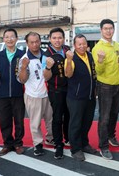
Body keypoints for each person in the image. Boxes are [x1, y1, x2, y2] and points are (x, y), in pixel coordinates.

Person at [91, 19, 119, 160]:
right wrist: (100, 60)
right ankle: (103, 146)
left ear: (114, 30)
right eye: (106, 28)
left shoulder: (117, 45)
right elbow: (99, 71)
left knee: (115, 113)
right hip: (105, 86)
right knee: (104, 117)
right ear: (101, 30)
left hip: (118, 84)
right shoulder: (98, 48)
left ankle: (111, 136)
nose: (109, 31)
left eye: (111, 28)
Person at [0, 28, 26, 157]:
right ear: (3, 39)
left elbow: (26, 73)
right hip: (2, 93)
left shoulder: (22, 55)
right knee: (4, 121)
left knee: (19, 120)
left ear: (16, 39)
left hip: (18, 93)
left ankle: (18, 144)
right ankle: (7, 144)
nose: (9, 39)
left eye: (12, 37)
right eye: (7, 37)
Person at [18, 32, 53, 156]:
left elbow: (49, 76)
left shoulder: (46, 55)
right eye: (31, 42)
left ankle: (50, 137)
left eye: (37, 41)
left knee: (51, 119)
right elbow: (22, 80)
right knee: (35, 122)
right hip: (33, 95)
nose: (35, 44)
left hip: (48, 94)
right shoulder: (24, 59)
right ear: (27, 43)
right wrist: (23, 67)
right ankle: (37, 144)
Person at [64, 34, 98, 161]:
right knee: (76, 124)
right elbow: (68, 74)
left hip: (89, 96)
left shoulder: (89, 56)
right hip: (76, 97)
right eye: (79, 44)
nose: (82, 46)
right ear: (74, 45)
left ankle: (84, 144)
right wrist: (68, 60)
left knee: (87, 122)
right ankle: (76, 149)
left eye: (84, 43)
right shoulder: (71, 58)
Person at [42, 27, 70, 159]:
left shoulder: (68, 50)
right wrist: (48, 66)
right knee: (58, 117)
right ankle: (58, 144)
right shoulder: (46, 54)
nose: (57, 40)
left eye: (60, 37)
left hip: (70, 89)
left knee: (69, 115)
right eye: (54, 38)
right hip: (56, 91)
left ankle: (69, 138)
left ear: (63, 39)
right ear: (49, 39)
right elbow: (46, 77)